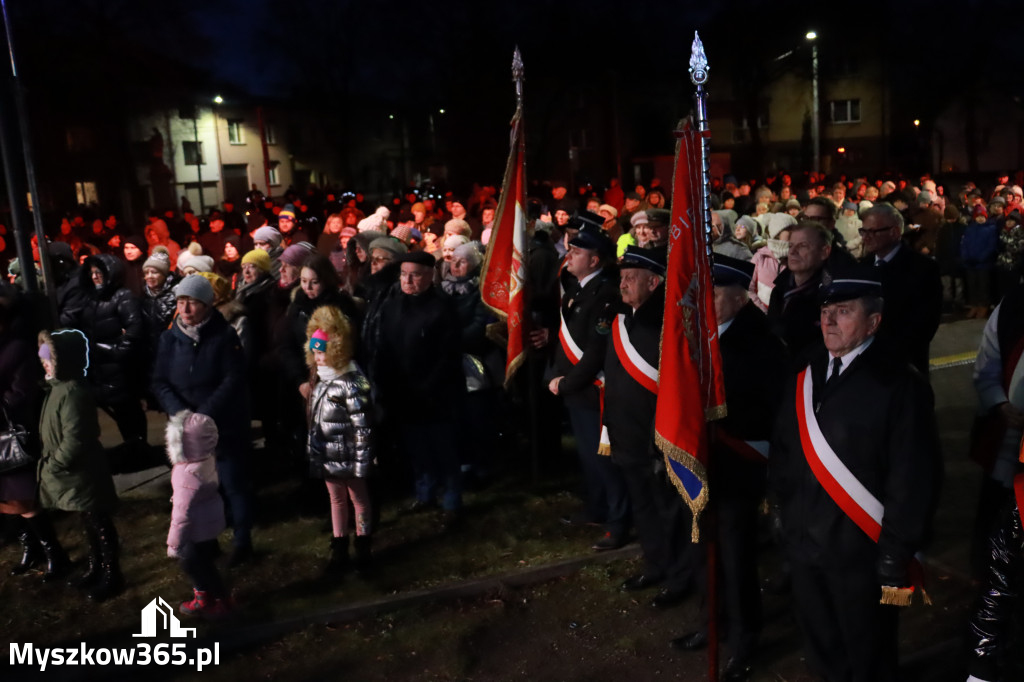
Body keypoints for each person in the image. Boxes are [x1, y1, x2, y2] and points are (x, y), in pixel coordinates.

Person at [769, 268, 940, 682]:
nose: (828, 320)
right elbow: (784, 448)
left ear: (874, 321)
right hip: (805, 541)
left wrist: (896, 550)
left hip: (860, 550)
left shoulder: (898, 382)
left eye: (843, 311)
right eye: (826, 309)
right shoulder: (806, 366)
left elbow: (913, 476)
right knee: (821, 645)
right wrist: (781, 511)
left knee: (868, 654)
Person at [671, 255, 789, 681]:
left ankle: (744, 638)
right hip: (701, 462)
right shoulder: (700, 334)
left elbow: (772, 408)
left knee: (736, 556)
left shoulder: (760, 341)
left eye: (716, 293)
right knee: (703, 548)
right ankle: (713, 623)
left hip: (738, 465)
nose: (707, 301)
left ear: (740, 298)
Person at [601, 247, 696, 609]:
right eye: (622, 277)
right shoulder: (623, 319)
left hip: (657, 443)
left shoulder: (667, 327)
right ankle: (656, 565)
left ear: (653, 282)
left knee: (669, 515)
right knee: (644, 511)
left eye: (631, 277)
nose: (622, 283)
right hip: (627, 437)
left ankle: (680, 577)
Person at [151, 275, 254, 566]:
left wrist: (204, 414)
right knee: (196, 490)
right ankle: (205, 542)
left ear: (207, 304)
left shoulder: (224, 336)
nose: (185, 308)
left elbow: (233, 378)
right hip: (186, 430)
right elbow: (160, 381)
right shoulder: (169, 338)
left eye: (192, 302)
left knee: (233, 483)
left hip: (224, 424)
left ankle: (243, 541)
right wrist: (181, 414)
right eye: (181, 302)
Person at [547, 226, 629, 550]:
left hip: (594, 390)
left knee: (605, 461)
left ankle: (618, 521)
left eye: (577, 252)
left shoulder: (606, 294)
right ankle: (597, 508)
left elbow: (597, 349)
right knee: (588, 457)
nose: (569, 256)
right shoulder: (577, 290)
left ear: (595, 260)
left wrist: (567, 382)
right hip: (577, 391)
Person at [375, 251, 465, 522]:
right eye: (403, 274)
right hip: (404, 393)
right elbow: (385, 347)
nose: (408, 280)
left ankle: (451, 499)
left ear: (429, 276)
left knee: (443, 448)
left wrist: (428, 385)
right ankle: (425, 492)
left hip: (436, 393)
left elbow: (448, 354)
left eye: (414, 274)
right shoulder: (392, 307)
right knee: (416, 448)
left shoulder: (443, 307)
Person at [37, 329, 122, 601]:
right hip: (74, 473)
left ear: (64, 360)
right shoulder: (57, 388)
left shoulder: (72, 392)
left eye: (48, 358)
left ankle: (112, 574)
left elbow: (76, 437)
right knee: (88, 521)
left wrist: (56, 463)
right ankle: (96, 567)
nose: (43, 362)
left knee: (99, 522)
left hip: (83, 471)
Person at [305, 307, 375, 574]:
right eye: (315, 352)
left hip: (350, 456)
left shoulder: (350, 383)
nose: (318, 358)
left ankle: (364, 542)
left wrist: (362, 461)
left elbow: (362, 426)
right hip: (329, 457)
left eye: (322, 352)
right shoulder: (320, 382)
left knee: (358, 498)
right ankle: (339, 544)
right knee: (335, 499)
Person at [60, 253, 149, 462]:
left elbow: (134, 331)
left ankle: (140, 450)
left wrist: (112, 350)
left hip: (120, 370)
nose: (94, 277)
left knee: (129, 411)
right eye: (91, 273)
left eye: (98, 272)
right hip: (101, 370)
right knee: (119, 412)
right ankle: (133, 450)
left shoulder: (123, 296)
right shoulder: (90, 299)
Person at [860, 203, 943, 374]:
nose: (866, 238)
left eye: (873, 231)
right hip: (865, 363)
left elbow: (925, 323)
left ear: (895, 232)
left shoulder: (923, 268)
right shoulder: (862, 266)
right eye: (864, 231)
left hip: (904, 364)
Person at [165, 411, 231, 617]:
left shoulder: (187, 472)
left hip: (194, 528)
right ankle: (206, 596)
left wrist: (174, 544)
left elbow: (182, 514)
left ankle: (220, 602)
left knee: (193, 564)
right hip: (208, 521)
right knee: (203, 562)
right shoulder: (206, 459)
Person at [767, 221, 832, 360]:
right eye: (790, 245)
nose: (792, 251)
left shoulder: (830, 295)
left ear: (824, 252)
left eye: (803, 246)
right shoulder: (779, 290)